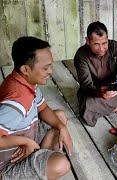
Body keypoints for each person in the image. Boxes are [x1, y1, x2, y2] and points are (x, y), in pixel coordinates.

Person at [0, 37, 73, 179]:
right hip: (9, 164)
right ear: (26, 69)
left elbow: (43, 108)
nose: (50, 71)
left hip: (26, 134)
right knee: (60, 165)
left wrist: (62, 127)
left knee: (59, 117)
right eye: (46, 68)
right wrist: (26, 142)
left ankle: (37, 153)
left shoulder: (25, 81)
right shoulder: (16, 102)